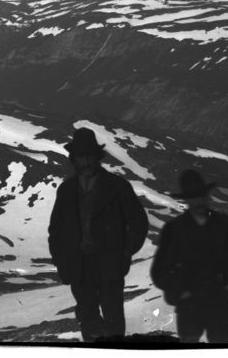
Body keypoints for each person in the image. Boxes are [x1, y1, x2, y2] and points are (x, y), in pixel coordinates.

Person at [48, 127, 149, 342]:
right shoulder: (66, 190)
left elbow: (139, 222)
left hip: (110, 264)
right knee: (88, 318)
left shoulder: (118, 187)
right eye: (80, 158)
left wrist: (125, 253)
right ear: (73, 160)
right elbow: (55, 230)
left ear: (98, 157)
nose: (85, 163)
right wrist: (61, 262)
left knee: (113, 319)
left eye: (89, 157)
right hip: (80, 266)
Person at [151, 169, 228, 344]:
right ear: (186, 200)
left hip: (219, 301)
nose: (198, 201)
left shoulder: (224, 224)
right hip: (188, 305)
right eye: (193, 197)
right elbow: (159, 271)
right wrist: (180, 292)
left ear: (207, 195)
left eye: (201, 195)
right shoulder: (174, 229)